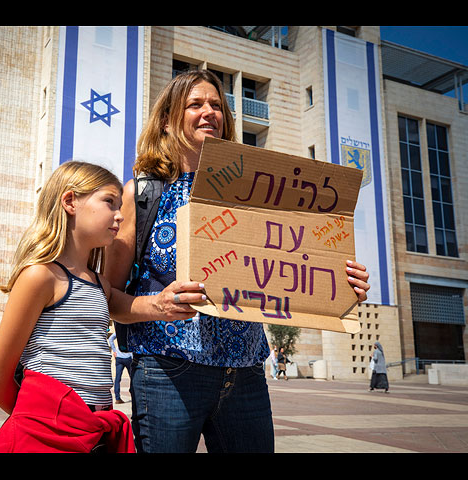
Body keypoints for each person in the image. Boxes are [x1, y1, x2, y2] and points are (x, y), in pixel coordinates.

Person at [105, 69, 371, 453]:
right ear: (167, 120)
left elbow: (290, 264)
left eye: (216, 105)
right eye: (194, 104)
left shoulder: (254, 194)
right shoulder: (143, 193)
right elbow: (108, 295)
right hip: (168, 374)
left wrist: (339, 285)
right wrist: (156, 305)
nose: (208, 112)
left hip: (245, 375)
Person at [0, 161, 202, 453]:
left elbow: (133, 306)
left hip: (96, 431)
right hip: (51, 433)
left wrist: (168, 302)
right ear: (70, 202)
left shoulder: (100, 284)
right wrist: (40, 421)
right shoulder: (40, 275)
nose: (120, 215)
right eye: (110, 202)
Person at [108, 330, 132, 404]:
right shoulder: (130, 330)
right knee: (133, 378)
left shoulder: (120, 331)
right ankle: (134, 396)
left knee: (117, 379)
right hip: (128, 357)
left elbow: (110, 338)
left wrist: (114, 350)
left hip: (119, 357)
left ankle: (117, 398)